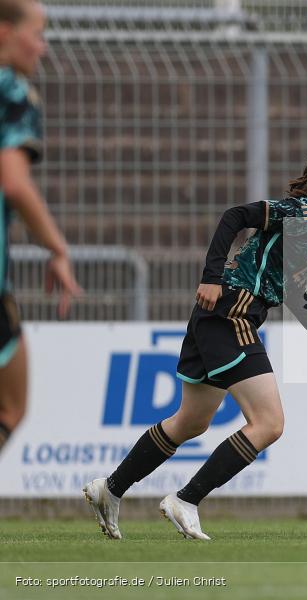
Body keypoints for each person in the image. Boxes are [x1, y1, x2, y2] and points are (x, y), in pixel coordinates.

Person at [84, 146, 307, 540]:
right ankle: (186, 500)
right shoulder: (302, 211)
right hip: (231, 312)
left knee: (191, 421)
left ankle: (110, 488)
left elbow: (290, 287)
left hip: (223, 316)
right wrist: (211, 275)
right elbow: (235, 216)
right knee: (269, 423)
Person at [0, 0, 81, 454]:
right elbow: (13, 181)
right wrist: (57, 247)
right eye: (36, 33)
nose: (43, 47)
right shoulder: (11, 91)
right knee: (10, 407)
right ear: (4, 34)